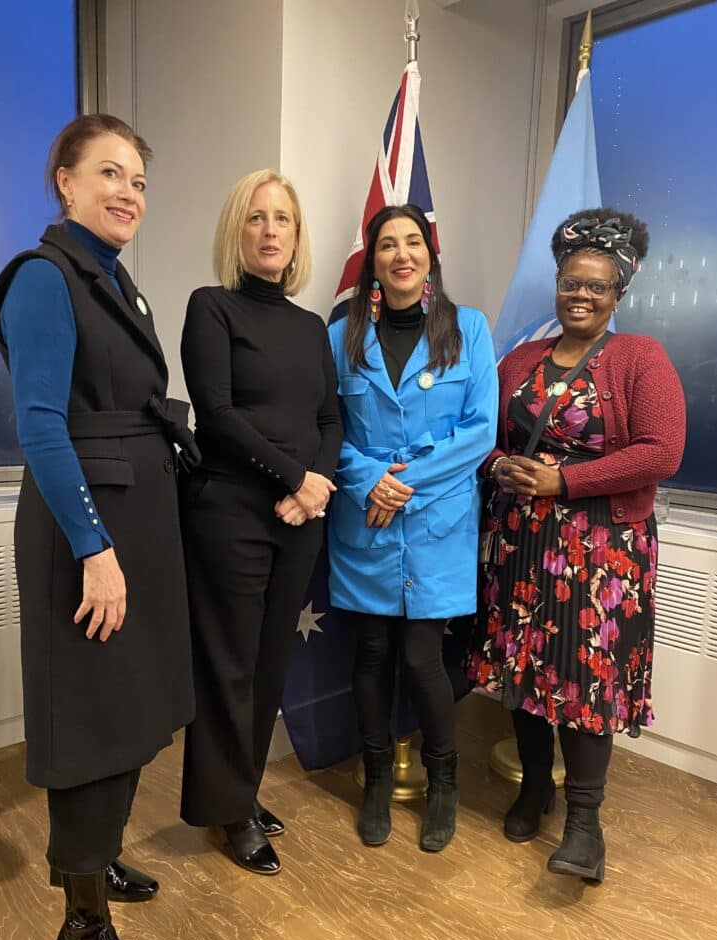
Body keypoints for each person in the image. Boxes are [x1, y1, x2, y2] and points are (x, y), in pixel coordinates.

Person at [0, 114, 197, 940]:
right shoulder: (44, 278)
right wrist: (94, 550)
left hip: (134, 523)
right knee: (90, 721)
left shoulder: (112, 280)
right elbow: (39, 425)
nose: (128, 193)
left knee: (131, 706)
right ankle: (82, 933)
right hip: (90, 536)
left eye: (140, 181)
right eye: (109, 173)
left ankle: (98, 851)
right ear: (63, 182)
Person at [466, 208, 686, 882]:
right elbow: (486, 436)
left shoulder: (639, 357)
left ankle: (586, 824)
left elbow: (662, 451)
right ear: (557, 286)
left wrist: (564, 480)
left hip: (602, 555)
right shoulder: (520, 360)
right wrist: (498, 466)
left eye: (596, 286)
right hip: (522, 545)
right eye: (571, 283)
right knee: (526, 675)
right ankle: (535, 787)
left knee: (584, 683)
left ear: (619, 293)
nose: (581, 296)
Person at [179, 170, 342, 875]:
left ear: (297, 237)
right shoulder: (211, 308)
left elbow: (329, 419)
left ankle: (239, 792)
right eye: (256, 218)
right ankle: (226, 810)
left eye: (282, 219)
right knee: (230, 666)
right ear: (236, 232)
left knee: (272, 661)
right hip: (231, 514)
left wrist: (317, 488)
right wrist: (294, 477)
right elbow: (216, 415)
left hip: (299, 515)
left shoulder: (311, 328)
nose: (270, 231)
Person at [327, 204, 497, 853]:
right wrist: (371, 478)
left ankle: (443, 782)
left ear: (430, 253)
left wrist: (407, 483)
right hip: (366, 518)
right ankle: (374, 778)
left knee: (423, 657)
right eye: (388, 245)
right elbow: (328, 427)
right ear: (371, 261)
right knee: (371, 652)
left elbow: (480, 427)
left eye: (413, 242)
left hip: (436, 519)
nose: (402, 254)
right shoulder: (340, 334)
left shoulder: (470, 329)